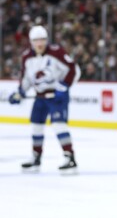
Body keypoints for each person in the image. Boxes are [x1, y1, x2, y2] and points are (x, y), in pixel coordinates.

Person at [9, 25, 80, 174]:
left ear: (47, 40)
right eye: (36, 40)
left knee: (59, 125)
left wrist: (64, 86)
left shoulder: (56, 52)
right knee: (36, 125)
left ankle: (70, 158)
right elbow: (26, 78)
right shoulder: (27, 57)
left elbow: (73, 69)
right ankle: (36, 157)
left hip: (57, 97)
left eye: (42, 40)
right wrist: (20, 92)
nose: (39, 43)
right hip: (40, 97)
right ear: (31, 42)